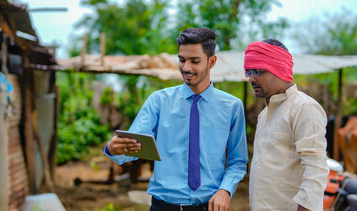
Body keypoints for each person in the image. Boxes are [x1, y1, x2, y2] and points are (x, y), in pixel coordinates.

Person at [105, 27, 248, 211]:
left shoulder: (232, 107)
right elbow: (133, 145)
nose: (186, 68)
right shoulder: (158, 101)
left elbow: (238, 161)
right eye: (181, 60)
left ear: (212, 61)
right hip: (163, 206)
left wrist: (225, 190)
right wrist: (114, 148)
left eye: (194, 61)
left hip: (209, 207)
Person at [244, 39, 329, 211]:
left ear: (279, 69)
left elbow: (316, 167)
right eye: (248, 71)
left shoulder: (304, 108)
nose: (251, 78)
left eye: (258, 71)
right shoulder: (264, 114)